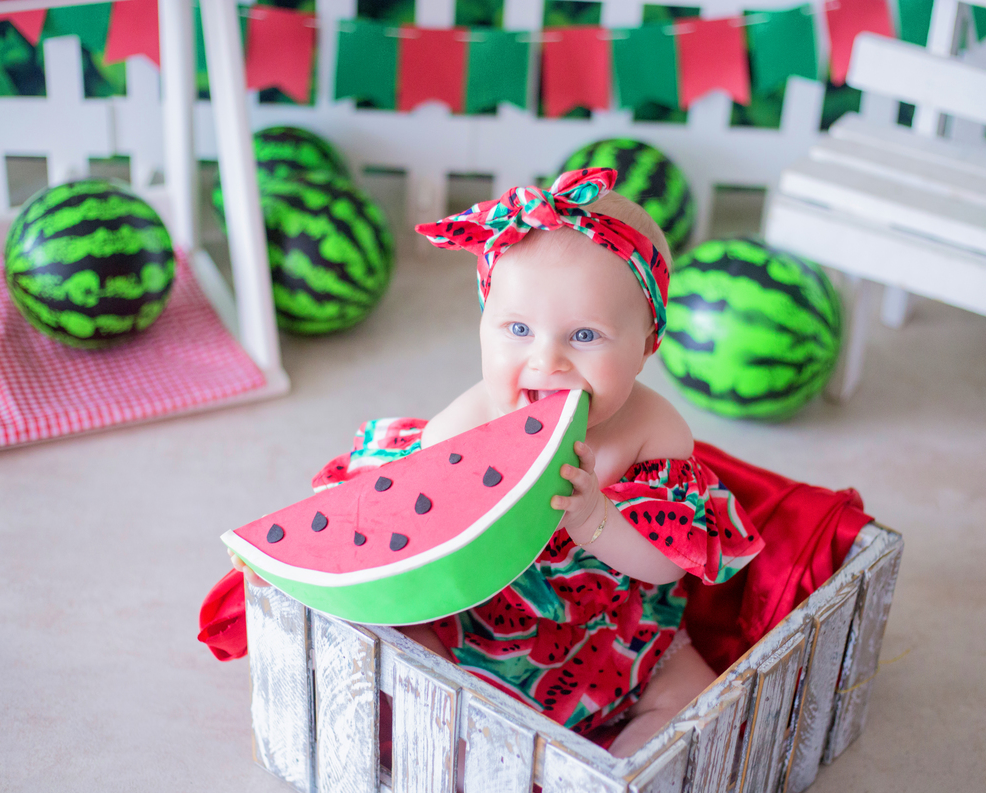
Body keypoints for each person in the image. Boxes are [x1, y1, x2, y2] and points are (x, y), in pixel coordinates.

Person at [231, 168, 764, 756]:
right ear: (484, 325)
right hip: (478, 630)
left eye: (585, 335)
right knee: (410, 663)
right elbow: (412, 519)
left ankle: (610, 776)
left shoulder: (655, 432)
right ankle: (462, 752)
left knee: (690, 699)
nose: (547, 359)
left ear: (647, 344)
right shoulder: (470, 421)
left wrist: (596, 520)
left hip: (622, 640)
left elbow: (668, 565)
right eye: (517, 328)